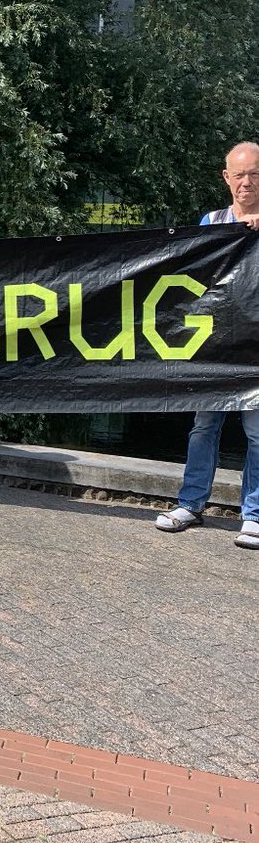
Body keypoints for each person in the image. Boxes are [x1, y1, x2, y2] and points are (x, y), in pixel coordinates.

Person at [155, 140, 259, 550]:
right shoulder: (211, 222)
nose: (247, 182)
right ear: (226, 177)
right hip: (214, 348)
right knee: (203, 426)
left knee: (257, 433)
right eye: (240, 175)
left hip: (256, 350)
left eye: (255, 174)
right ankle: (190, 504)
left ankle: (253, 515)